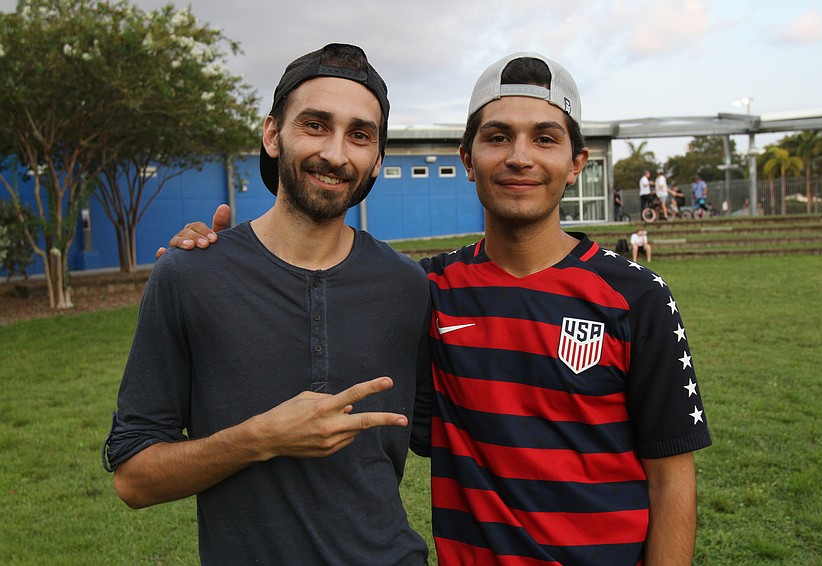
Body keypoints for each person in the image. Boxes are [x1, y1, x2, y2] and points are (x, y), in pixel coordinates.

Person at [167, 52, 711, 565]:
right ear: (467, 161)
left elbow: (670, 479)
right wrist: (225, 259)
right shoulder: (426, 288)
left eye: (544, 138)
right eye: (498, 137)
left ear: (576, 164)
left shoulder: (638, 297)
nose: (519, 156)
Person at [102, 43, 433, 565]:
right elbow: (134, 478)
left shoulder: (408, 287)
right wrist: (260, 438)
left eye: (360, 135)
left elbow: (450, 430)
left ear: (378, 160)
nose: (337, 154)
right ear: (273, 134)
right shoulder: (190, 274)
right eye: (316, 125)